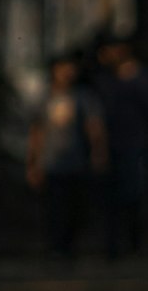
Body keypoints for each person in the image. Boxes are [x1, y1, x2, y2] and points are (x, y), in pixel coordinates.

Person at [26, 51, 107, 258]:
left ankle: (70, 246)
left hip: (77, 162)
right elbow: (37, 132)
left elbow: (94, 128)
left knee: (75, 209)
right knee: (54, 208)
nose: (67, 73)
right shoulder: (45, 97)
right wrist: (33, 162)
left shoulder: (84, 97)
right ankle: (56, 247)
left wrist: (98, 153)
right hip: (51, 163)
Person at [93, 35, 148, 258]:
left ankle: (134, 241)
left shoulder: (143, 77)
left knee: (133, 196)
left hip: (136, 144)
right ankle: (112, 245)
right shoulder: (104, 79)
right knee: (109, 199)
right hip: (109, 145)